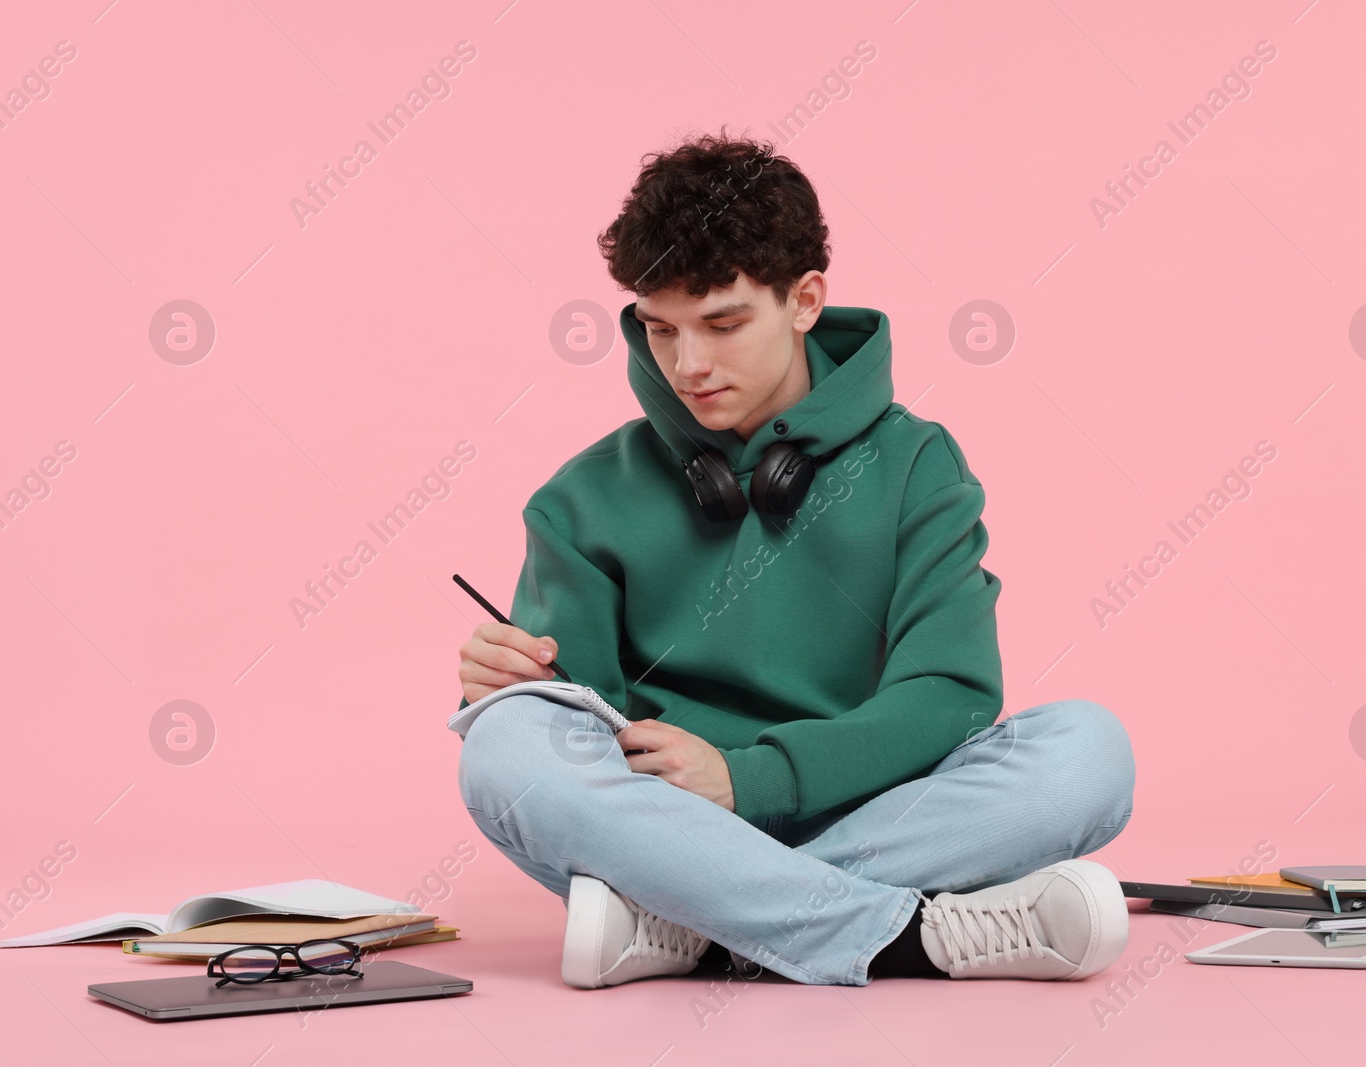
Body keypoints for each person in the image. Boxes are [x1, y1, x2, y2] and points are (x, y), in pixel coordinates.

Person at [455, 129, 1135, 989]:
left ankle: (697, 925)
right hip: (667, 826)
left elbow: (950, 697)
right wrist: (513, 679)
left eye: (723, 323)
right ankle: (905, 937)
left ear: (805, 300)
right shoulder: (581, 496)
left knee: (1087, 751)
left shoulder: (918, 465)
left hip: (875, 812)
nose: (688, 366)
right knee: (503, 744)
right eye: (659, 329)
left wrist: (749, 777)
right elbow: (581, 726)